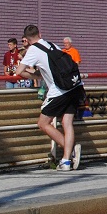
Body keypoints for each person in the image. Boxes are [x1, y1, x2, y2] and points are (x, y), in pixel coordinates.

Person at [14, 24, 84, 172]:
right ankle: (65, 161)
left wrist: (36, 76)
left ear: (26, 39)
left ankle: (69, 149)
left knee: (43, 123)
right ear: (40, 33)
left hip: (59, 91)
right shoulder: (52, 44)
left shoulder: (33, 50)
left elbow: (19, 71)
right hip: (75, 86)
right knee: (67, 122)